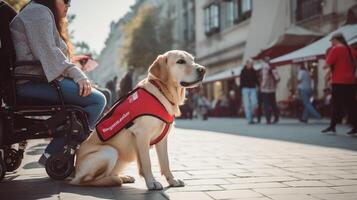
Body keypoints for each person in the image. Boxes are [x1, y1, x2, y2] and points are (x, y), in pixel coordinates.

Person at [10, 0, 107, 165]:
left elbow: (50, 56)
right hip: (31, 84)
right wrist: (79, 75)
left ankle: (61, 148)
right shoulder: (38, 13)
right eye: (66, 1)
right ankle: (53, 155)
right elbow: (49, 53)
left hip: (37, 81)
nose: (68, 5)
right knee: (97, 100)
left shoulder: (36, 12)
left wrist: (76, 76)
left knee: (93, 99)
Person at [321, 33, 357, 135]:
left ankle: (332, 127)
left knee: (336, 104)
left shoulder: (336, 49)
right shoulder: (352, 50)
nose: (331, 43)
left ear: (336, 40)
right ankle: (355, 127)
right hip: (351, 82)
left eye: (332, 41)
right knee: (351, 105)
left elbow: (326, 65)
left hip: (338, 81)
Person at [260, 56, 280, 124]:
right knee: (273, 104)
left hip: (265, 89)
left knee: (266, 105)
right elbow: (277, 78)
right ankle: (276, 117)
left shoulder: (265, 67)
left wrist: (262, 86)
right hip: (272, 89)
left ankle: (268, 119)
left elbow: (265, 78)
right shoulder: (273, 66)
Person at [240, 59, 259, 124]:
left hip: (252, 88)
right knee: (247, 104)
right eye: (250, 63)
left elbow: (256, 79)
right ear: (247, 64)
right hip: (245, 89)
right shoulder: (243, 71)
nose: (251, 65)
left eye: (252, 64)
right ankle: (249, 119)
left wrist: (259, 85)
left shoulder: (253, 71)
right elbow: (241, 81)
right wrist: (241, 89)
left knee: (254, 103)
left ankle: (251, 116)